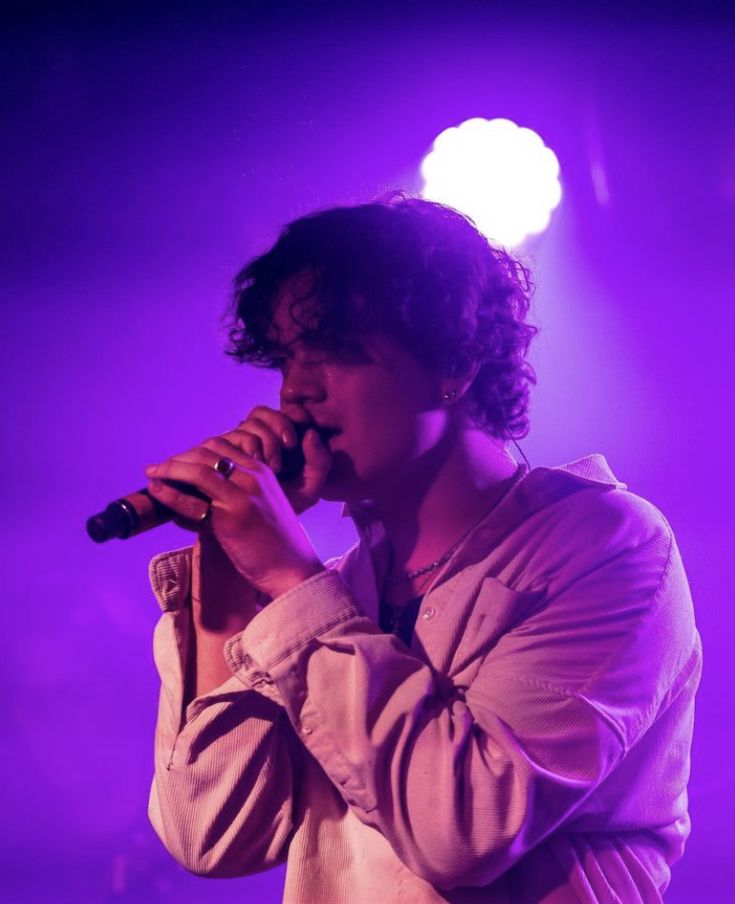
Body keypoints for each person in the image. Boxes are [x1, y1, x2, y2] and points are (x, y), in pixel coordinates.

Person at [144, 196, 701, 903]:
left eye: (337, 351)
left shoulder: (607, 545)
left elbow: (464, 831)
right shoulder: (330, 599)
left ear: (455, 360)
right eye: (287, 357)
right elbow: (212, 837)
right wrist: (229, 585)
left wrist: (287, 581)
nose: (295, 390)